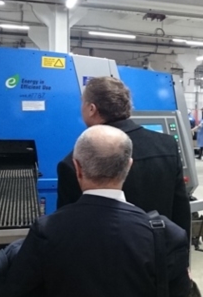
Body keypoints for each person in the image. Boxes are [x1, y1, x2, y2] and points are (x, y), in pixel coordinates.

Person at [1, 125, 191, 297]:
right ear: (129, 166)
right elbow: (179, 294)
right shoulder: (164, 235)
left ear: (77, 168)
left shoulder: (47, 231)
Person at [57, 76, 191, 236]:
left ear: (92, 109)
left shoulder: (77, 161)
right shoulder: (167, 145)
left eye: (83, 103)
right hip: (158, 247)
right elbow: (181, 212)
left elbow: (67, 228)